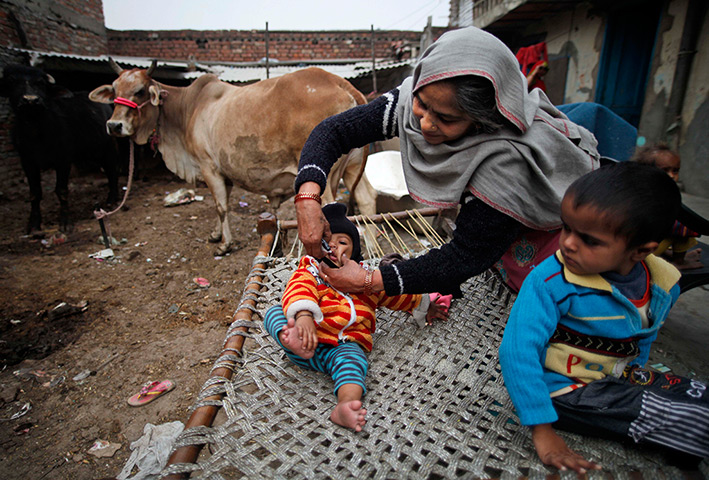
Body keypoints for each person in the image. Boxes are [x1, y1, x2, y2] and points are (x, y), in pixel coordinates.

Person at [293, 26, 600, 299]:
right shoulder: (417, 95)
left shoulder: (508, 163)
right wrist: (307, 198)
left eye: (446, 119)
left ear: (482, 122)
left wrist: (371, 279)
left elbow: (466, 256)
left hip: (543, 253)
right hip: (493, 242)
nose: (425, 124)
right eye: (422, 104)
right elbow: (334, 131)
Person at [499, 162, 708, 475]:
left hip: (616, 378)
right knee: (694, 419)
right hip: (564, 390)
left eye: (589, 240)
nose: (568, 243)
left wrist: (637, 374)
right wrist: (542, 429)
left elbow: (644, 335)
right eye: (566, 227)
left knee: (698, 396)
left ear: (640, 252)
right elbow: (517, 351)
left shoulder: (662, 283)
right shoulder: (550, 281)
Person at [264, 203, 449, 432]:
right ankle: (290, 339)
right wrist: (303, 317)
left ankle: (344, 406)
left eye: (343, 242)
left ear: (355, 255)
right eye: (327, 242)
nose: (333, 246)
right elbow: (300, 287)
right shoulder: (311, 269)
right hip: (308, 334)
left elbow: (393, 295)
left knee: (354, 365)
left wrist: (423, 304)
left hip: (342, 349)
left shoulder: (364, 279)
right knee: (274, 312)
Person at [633, 143, 702, 269]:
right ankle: (679, 262)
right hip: (642, 251)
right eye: (665, 170)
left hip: (640, 246)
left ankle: (666, 252)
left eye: (675, 170)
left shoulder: (639, 187)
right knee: (686, 227)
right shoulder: (655, 195)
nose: (671, 175)